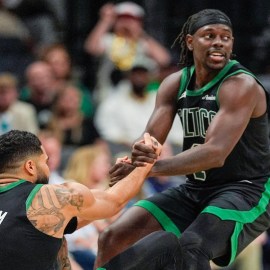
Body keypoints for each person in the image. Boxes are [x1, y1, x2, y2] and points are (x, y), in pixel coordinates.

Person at [95, 9, 270, 270]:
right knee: (113, 236)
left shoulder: (240, 86)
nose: (219, 42)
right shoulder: (174, 83)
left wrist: (149, 169)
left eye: (226, 37)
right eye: (209, 35)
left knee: (193, 246)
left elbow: (215, 153)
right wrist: (135, 158)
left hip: (246, 189)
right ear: (190, 42)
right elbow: (150, 142)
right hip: (195, 189)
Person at [0, 129, 161, 270]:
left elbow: (79, 215)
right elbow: (114, 202)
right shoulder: (46, 196)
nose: (48, 169)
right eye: (45, 162)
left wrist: (119, 184)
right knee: (163, 244)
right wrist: (146, 162)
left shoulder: (44, 211)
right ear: (30, 166)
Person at [84, 1, 171, 103]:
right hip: (109, 99)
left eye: (131, 20)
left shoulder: (143, 43)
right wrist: (105, 21)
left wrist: (140, 33)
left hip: (138, 102)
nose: (126, 23)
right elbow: (91, 48)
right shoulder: (109, 40)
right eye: (121, 19)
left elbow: (164, 60)